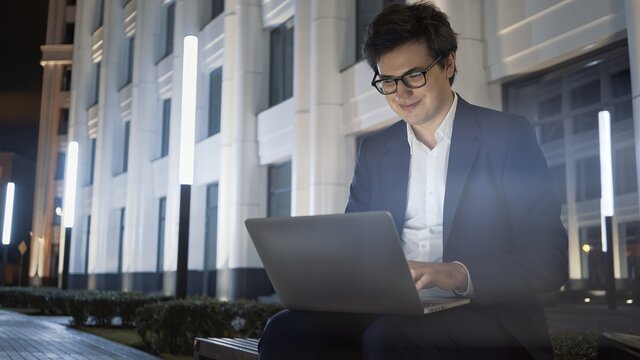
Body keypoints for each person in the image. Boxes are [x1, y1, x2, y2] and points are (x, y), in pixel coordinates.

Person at [258, 2, 568, 359]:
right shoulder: (375, 151)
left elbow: (549, 259)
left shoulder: (508, 137)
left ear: (448, 63)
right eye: (388, 81)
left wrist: (455, 274)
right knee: (287, 330)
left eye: (413, 76)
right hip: (393, 309)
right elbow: (354, 245)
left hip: (488, 316)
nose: (401, 94)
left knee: (391, 337)